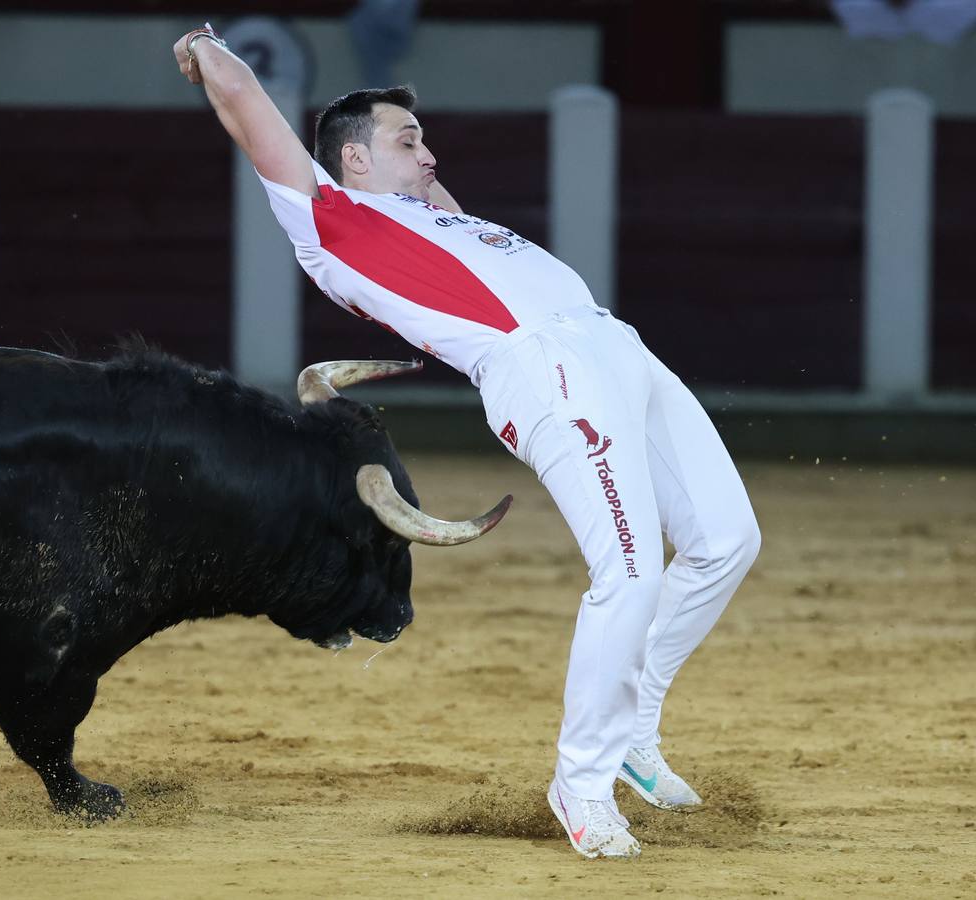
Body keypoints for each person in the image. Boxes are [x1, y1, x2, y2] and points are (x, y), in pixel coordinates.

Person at [172, 24, 761, 860]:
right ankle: (581, 784)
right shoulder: (326, 215)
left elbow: (438, 197)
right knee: (628, 571)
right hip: (543, 370)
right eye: (407, 140)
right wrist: (208, 49)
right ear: (353, 162)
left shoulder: (433, 217)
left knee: (726, 541)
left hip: (616, 348)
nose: (431, 155)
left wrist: (422, 171)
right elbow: (243, 102)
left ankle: (630, 734)